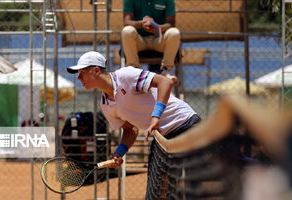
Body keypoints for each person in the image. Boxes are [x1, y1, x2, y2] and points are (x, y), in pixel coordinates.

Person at [67, 50, 201, 170]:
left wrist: (156, 116)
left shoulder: (125, 75)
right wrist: (119, 152)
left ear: (96, 71)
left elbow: (165, 82)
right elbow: (130, 130)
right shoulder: (106, 105)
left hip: (184, 123)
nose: (79, 78)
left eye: (82, 73)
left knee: (198, 180)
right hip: (162, 137)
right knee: (158, 190)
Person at [121, 0, 180, 82]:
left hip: (158, 40)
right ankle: (134, 71)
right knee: (127, 31)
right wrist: (141, 24)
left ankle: (166, 71)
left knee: (174, 32)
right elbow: (126, 22)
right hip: (139, 41)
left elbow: (171, 23)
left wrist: (156, 27)